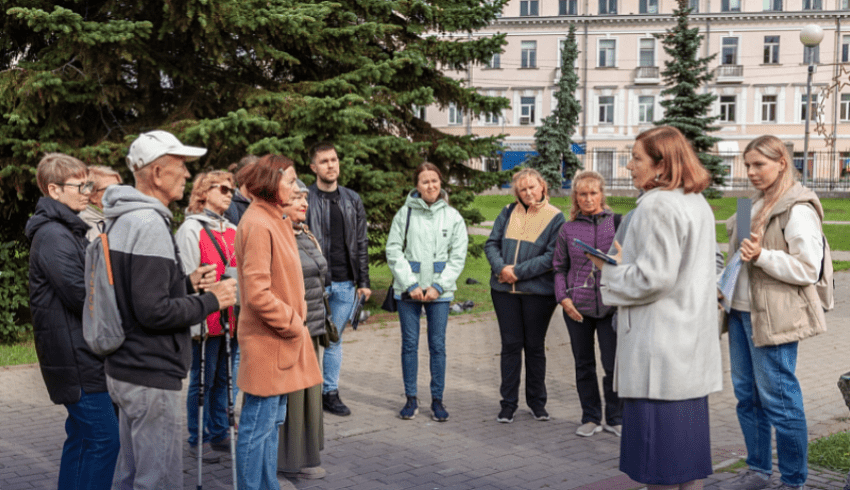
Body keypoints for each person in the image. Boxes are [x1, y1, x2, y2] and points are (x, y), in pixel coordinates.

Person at [589, 126, 722, 490]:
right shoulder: (695, 200)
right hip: (688, 349)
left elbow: (654, 277)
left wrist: (609, 274)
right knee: (684, 466)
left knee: (658, 469)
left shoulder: (658, 204)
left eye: (636, 158)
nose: (629, 166)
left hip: (659, 356)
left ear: (661, 165)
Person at [103, 130, 237, 490]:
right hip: (149, 371)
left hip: (126, 366)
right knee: (157, 481)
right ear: (158, 173)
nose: (188, 176)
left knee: (130, 475)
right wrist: (214, 299)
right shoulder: (148, 224)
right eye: (181, 166)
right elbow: (154, 311)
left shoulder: (124, 217)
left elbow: (135, 293)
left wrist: (187, 282)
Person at [718, 135, 826, 490]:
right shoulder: (751, 204)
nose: (750, 172)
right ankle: (759, 470)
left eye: (758, 164)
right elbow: (738, 257)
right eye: (747, 165)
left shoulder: (798, 208)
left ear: (782, 162)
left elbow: (808, 269)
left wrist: (763, 256)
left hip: (773, 319)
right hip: (740, 314)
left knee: (780, 402)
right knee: (747, 398)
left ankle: (794, 481)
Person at [25, 153, 120, 490]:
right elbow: (83, 296)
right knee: (105, 441)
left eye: (88, 184)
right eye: (80, 185)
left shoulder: (66, 230)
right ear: (54, 189)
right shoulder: (53, 235)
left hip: (79, 353)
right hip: (75, 358)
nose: (87, 191)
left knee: (82, 440)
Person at [235, 155, 323, 490]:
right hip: (270, 343)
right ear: (272, 183)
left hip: (281, 343)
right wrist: (293, 323)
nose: (296, 187)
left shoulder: (275, 218)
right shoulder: (259, 222)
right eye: (290, 180)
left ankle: (267, 485)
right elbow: (257, 294)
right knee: (257, 428)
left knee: (271, 424)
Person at [387, 163, 468, 421]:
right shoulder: (405, 214)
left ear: (440, 182)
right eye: (425, 181)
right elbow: (393, 250)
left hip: (438, 294)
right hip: (408, 291)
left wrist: (439, 286)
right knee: (409, 345)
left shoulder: (453, 217)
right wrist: (410, 284)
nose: (430, 186)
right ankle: (411, 398)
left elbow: (458, 256)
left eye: (434, 180)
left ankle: (438, 400)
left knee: (438, 345)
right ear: (417, 186)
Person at [484, 168, 565, 424]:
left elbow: (551, 258)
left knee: (534, 347)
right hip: (503, 292)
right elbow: (491, 244)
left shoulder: (556, 218)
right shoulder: (507, 212)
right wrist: (501, 269)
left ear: (543, 186)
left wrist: (516, 272)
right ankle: (508, 404)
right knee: (510, 346)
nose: (528, 192)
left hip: (538, 294)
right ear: (516, 192)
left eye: (532, 187)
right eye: (522, 189)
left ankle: (537, 403)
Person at [552, 170, 622, 437]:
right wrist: (563, 298)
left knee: (612, 364)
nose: (588, 198)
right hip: (577, 307)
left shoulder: (616, 224)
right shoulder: (567, 229)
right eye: (583, 194)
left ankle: (615, 417)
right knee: (583, 364)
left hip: (610, 305)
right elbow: (559, 267)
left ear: (602, 194)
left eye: (593, 193)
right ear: (576, 197)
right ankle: (590, 416)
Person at [175, 170, 238, 462]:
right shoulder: (191, 229)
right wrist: (194, 319)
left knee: (225, 379)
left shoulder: (233, 229)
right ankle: (196, 437)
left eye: (231, 189)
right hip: (206, 316)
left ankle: (220, 431)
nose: (230, 193)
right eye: (223, 188)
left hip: (232, 316)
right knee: (203, 380)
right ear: (203, 192)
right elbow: (187, 277)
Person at [305, 142, 371, 416]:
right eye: (324, 161)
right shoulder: (304, 198)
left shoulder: (351, 199)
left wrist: (364, 282)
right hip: (312, 284)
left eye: (334, 160)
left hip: (345, 284)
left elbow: (361, 242)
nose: (331, 165)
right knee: (307, 340)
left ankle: (329, 393)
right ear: (313, 167)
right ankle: (305, 396)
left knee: (334, 340)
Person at [277, 179, 328, 480]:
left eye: (305, 198)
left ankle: (305, 457)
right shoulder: (279, 235)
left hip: (313, 326)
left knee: (310, 396)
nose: (304, 203)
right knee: (291, 399)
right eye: (296, 198)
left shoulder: (305, 233)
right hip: (292, 327)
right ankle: (282, 464)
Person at [79, 165, 123, 241]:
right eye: (110, 189)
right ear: (92, 196)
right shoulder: (84, 227)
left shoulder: (120, 218)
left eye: (119, 187)